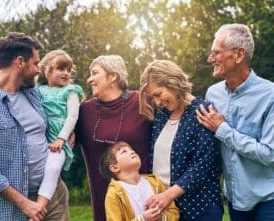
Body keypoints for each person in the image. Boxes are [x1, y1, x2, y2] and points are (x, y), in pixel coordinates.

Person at [0, 32, 69, 221]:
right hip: (13, 209)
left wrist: (66, 136)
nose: (38, 70)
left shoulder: (33, 93)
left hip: (53, 196)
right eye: (35, 63)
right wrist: (25, 204)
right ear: (19, 62)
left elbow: (56, 118)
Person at [196, 23, 274, 221]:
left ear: (239, 55)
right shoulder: (213, 94)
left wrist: (223, 129)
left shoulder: (270, 95)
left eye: (216, 52)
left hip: (267, 199)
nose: (210, 58)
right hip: (233, 199)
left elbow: (270, 154)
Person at [139, 60, 223, 221]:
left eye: (158, 94)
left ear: (173, 83)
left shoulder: (203, 111)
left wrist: (168, 195)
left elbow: (203, 164)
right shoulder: (161, 115)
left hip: (199, 209)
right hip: (166, 210)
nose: (157, 102)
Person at [76, 55, 152, 221]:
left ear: (113, 76)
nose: (89, 79)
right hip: (104, 207)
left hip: (145, 205)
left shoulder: (142, 101)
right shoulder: (83, 111)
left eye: (95, 73)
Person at [36, 49, 81, 209]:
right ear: (48, 70)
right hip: (41, 136)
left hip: (59, 138)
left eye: (68, 70)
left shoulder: (71, 91)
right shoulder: (38, 90)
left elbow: (72, 116)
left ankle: (40, 206)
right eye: (61, 69)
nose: (66, 73)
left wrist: (62, 138)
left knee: (54, 167)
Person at [100, 141, 180, 221]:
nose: (132, 151)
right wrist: (143, 219)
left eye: (132, 149)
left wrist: (162, 218)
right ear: (115, 168)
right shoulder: (113, 194)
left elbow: (174, 212)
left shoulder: (155, 182)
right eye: (124, 151)